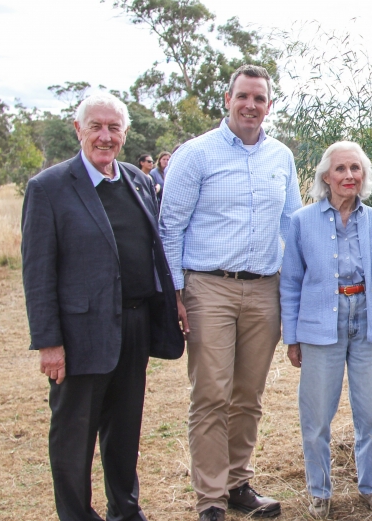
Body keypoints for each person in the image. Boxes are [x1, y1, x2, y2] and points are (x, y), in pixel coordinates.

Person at [21, 93, 184, 521]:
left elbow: (152, 251)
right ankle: (76, 515)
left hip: (134, 326)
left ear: (125, 134)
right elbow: (37, 274)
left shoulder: (136, 179)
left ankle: (125, 511)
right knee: (74, 438)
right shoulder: (49, 188)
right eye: (96, 126)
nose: (105, 136)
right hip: (80, 336)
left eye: (114, 128)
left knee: (125, 433)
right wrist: (49, 343)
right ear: (79, 130)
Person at [159, 65, 302, 521]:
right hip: (209, 289)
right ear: (227, 99)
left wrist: (298, 287)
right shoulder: (195, 154)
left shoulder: (281, 156)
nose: (251, 105)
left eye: (259, 99)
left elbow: (291, 225)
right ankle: (210, 501)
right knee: (211, 394)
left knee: (248, 395)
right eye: (243, 96)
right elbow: (170, 227)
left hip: (265, 290)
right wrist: (176, 293)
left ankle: (239, 484)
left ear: (269, 105)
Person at [280, 141, 372, 519]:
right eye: (340, 169)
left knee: (370, 415)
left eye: (356, 168)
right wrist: (292, 336)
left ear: (363, 175)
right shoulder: (302, 221)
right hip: (321, 323)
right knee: (317, 416)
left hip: (369, 321)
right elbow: (290, 282)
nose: (348, 175)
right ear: (325, 176)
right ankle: (320, 492)